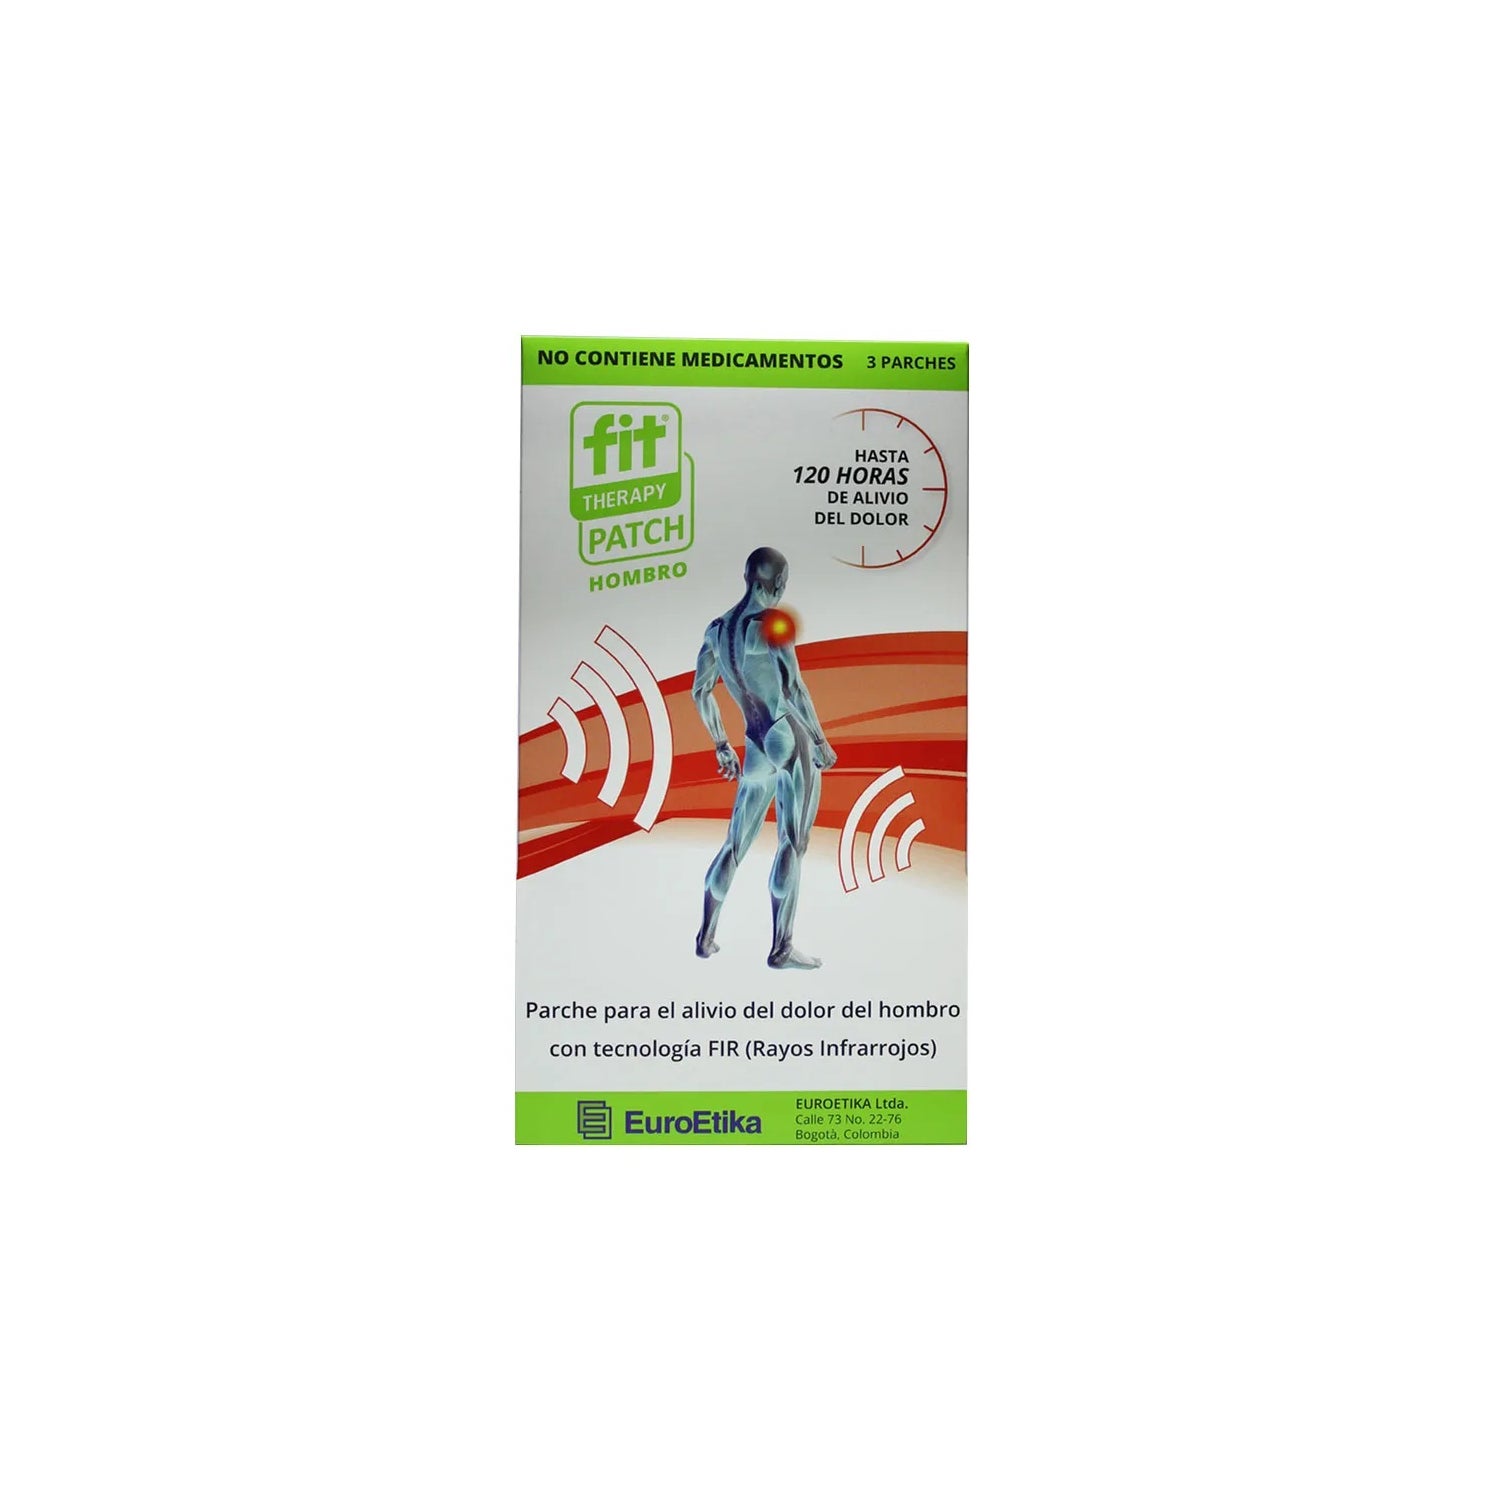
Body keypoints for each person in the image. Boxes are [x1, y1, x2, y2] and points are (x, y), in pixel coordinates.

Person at [691, 547, 836, 969]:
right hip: (785, 733)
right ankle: (781, 948)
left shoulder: (717, 630)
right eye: (783, 582)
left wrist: (721, 744)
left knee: (735, 843)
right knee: (792, 841)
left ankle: (705, 936)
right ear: (775, 582)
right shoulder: (772, 624)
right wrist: (820, 741)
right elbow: (792, 688)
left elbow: (700, 692)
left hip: (753, 741)